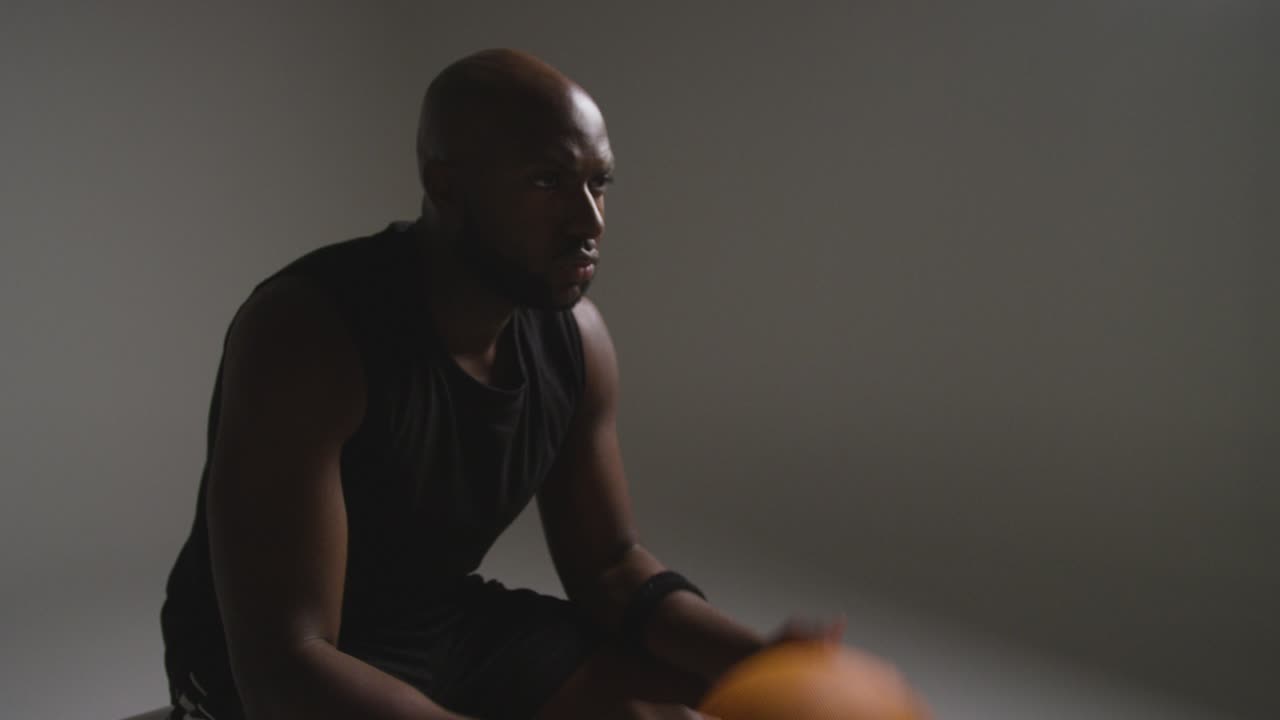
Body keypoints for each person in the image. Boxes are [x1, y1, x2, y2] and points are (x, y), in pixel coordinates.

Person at [160, 48, 844, 720]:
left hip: (436, 626)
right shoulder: (309, 334)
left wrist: (764, 663)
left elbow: (608, 568)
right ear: (446, 184)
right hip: (257, 673)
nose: (590, 222)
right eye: (548, 181)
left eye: (598, 182)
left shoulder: (577, 340)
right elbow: (286, 665)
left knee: (669, 700)